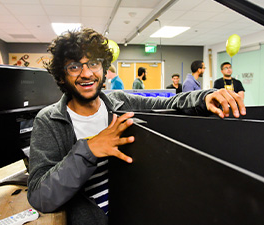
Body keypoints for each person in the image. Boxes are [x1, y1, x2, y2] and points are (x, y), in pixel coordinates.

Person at [27, 28, 245, 225]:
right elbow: (39, 196)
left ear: (103, 68)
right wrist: (89, 149)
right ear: (62, 76)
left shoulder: (120, 102)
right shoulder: (49, 121)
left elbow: (168, 104)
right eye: (74, 66)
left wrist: (205, 97)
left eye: (93, 63)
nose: (86, 73)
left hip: (140, 210)